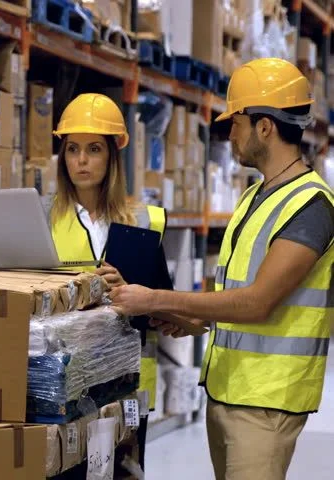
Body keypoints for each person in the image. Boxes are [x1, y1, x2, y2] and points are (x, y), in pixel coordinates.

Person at [110, 58, 334, 480]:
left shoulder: (311, 207)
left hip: (267, 404)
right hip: (227, 391)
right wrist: (185, 317)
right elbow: (229, 302)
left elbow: (256, 303)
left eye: (237, 123)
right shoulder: (253, 197)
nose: (230, 134)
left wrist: (154, 296)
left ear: (265, 126)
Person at [49, 92, 167, 470]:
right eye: (72, 149)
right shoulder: (42, 219)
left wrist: (131, 290)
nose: (81, 160)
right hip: (63, 382)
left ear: (113, 155)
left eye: (94, 149)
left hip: (128, 382)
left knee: (123, 471)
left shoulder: (146, 221)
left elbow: (169, 309)